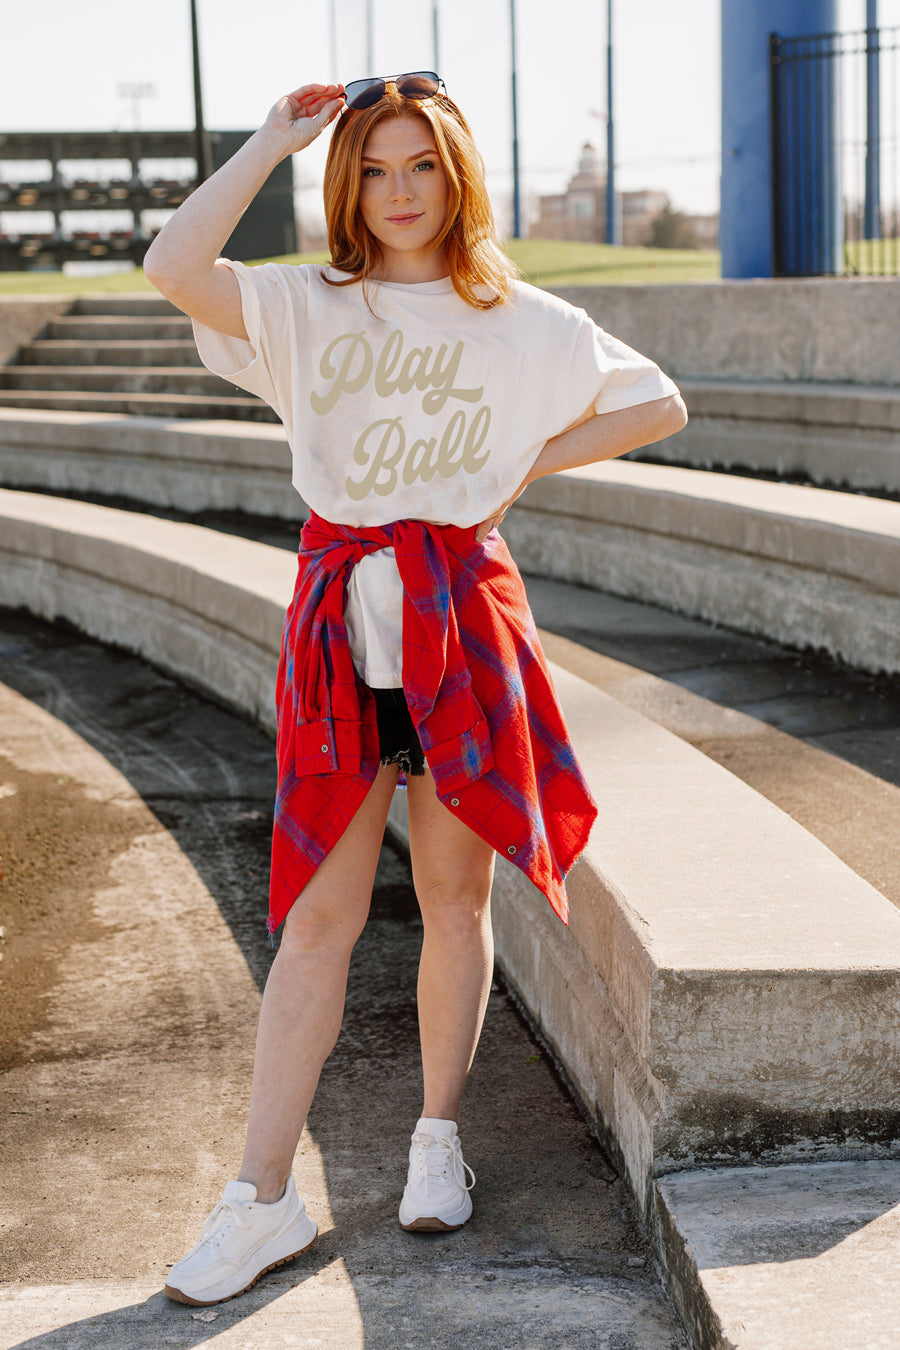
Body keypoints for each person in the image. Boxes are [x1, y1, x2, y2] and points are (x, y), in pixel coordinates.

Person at [144, 73, 687, 1308]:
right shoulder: (304, 306)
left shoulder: (518, 316)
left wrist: (513, 473)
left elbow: (659, 400)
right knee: (318, 921)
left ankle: (437, 1140)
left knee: (454, 899)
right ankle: (260, 1198)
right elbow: (175, 263)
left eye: (421, 167)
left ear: (457, 175)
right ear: (350, 182)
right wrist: (278, 140)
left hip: (464, 634)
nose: (398, 192)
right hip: (343, 634)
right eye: (376, 168)